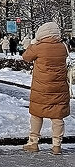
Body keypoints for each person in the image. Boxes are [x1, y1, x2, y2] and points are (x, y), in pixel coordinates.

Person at [22, 22, 70, 155]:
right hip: (59, 88)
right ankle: (56, 145)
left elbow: (26, 57)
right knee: (57, 117)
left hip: (41, 88)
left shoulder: (38, 47)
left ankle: (33, 142)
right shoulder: (62, 46)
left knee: (37, 115)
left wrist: (32, 43)